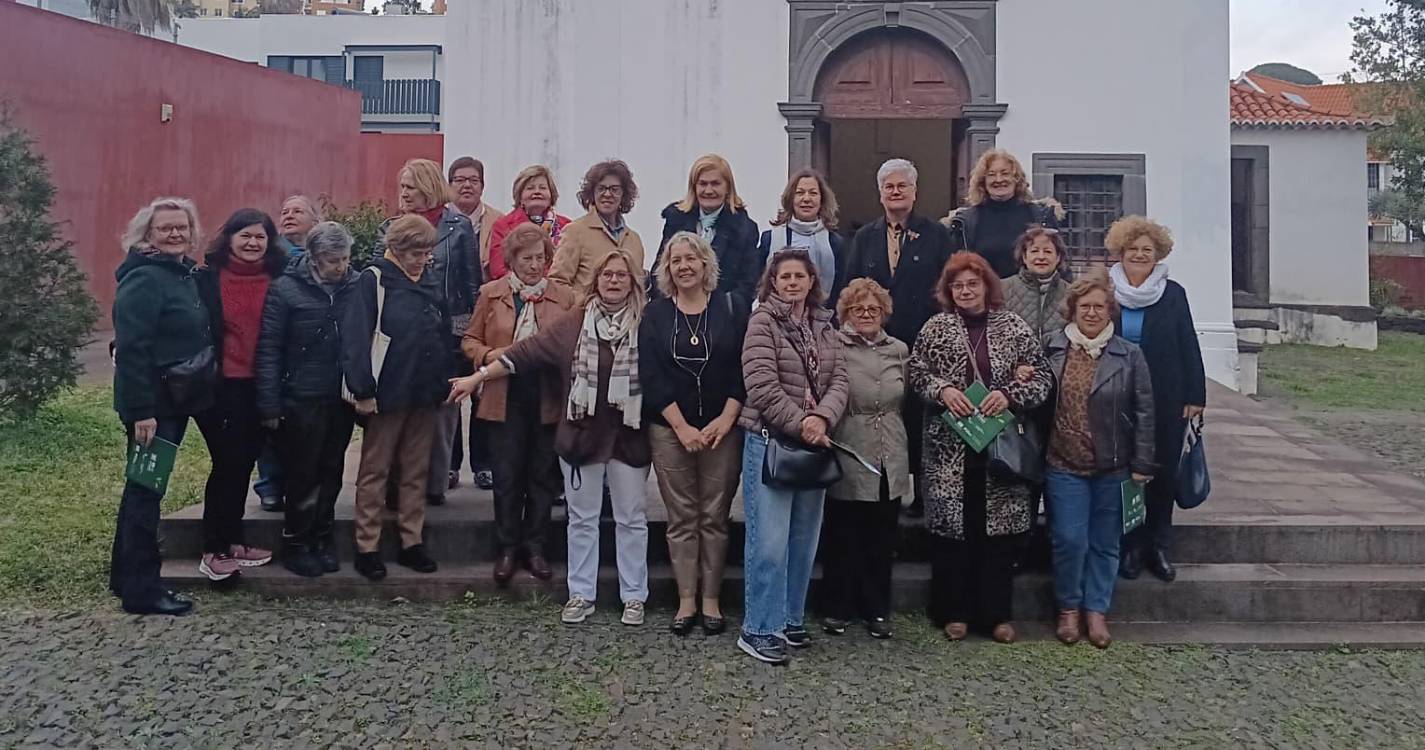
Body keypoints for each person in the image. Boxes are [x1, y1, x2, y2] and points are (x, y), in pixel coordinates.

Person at [449, 250, 651, 628]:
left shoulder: (646, 323)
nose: (613, 280)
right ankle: (581, 593)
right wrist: (477, 378)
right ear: (596, 281)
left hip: (628, 436)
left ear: (633, 282)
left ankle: (634, 596)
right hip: (581, 435)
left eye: (622, 275)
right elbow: (521, 355)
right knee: (582, 518)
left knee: (631, 518)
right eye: (607, 274)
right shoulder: (573, 324)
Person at [908, 252, 1051, 644]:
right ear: (948, 291)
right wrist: (945, 390)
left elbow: (1041, 376)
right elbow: (917, 372)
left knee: (999, 534)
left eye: (973, 284)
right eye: (958, 285)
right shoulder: (936, 328)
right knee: (953, 531)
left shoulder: (1014, 327)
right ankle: (953, 611)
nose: (966, 291)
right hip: (948, 448)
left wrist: (1009, 394)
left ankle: (996, 614)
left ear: (987, 286)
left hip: (1000, 446)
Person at [736, 248, 849, 665]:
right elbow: (762, 385)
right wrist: (803, 423)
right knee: (769, 542)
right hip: (771, 442)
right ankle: (758, 628)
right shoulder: (762, 322)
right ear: (773, 282)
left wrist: (822, 417)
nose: (792, 283)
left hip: (813, 442)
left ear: (811, 281)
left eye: (799, 276)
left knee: (803, 540)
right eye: (784, 277)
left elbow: (840, 379)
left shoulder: (825, 324)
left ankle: (788, 618)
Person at [639, 231, 747, 636]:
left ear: (706, 264)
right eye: (675, 260)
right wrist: (681, 426)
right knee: (682, 517)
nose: (683, 266)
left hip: (723, 427)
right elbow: (650, 374)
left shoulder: (731, 309)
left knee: (714, 517)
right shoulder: (656, 314)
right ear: (667, 269)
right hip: (670, 430)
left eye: (691, 258)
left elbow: (743, 367)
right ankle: (686, 599)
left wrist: (728, 416)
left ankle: (712, 599)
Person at [1043, 270, 1155, 648]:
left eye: (1099, 306)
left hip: (1114, 465)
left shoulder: (1130, 354)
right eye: (1084, 306)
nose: (1092, 313)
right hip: (1063, 463)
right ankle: (1069, 608)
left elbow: (1144, 412)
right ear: (1072, 310)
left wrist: (1143, 463)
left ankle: (1096, 610)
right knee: (1069, 539)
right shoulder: (1052, 348)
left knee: (1106, 541)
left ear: (1111, 311)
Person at [462, 224, 577, 586]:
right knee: (508, 476)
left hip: (547, 395)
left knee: (542, 475)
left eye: (540, 258)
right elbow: (469, 340)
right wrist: (489, 354)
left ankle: (536, 547)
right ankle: (507, 546)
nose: (533, 265)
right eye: (526, 259)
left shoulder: (565, 296)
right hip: (503, 394)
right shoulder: (490, 293)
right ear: (511, 259)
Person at [110, 197, 210, 616]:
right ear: (147, 234)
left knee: (142, 490)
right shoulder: (146, 279)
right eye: (165, 228)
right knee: (146, 493)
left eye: (181, 227)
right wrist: (141, 411)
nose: (175, 234)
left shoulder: (180, 274)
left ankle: (125, 576)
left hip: (173, 400)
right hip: (153, 408)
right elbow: (132, 349)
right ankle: (143, 590)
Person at [342, 214, 452, 581]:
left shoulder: (430, 281)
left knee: (416, 470)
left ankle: (412, 541)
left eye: (427, 252)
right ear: (396, 249)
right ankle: (367, 545)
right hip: (386, 391)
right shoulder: (373, 280)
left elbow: (442, 331)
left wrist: (444, 382)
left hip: (424, 391)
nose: (423, 259)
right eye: (417, 252)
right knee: (375, 470)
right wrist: (363, 390)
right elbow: (356, 338)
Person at [840, 158, 951, 519]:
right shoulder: (865, 236)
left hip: (923, 340)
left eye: (902, 185)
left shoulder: (936, 234)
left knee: (919, 416)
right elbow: (852, 286)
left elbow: (946, 288)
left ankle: (919, 493)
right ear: (880, 193)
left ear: (915, 191)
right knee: (880, 415)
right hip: (876, 344)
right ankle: (880, 485)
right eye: (889, 186)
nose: (896, 191)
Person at [255, 221, 359, 578]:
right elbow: (269, 348)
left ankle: (322, 537)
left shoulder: (355, 286)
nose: (340, 267)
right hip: (300, 396)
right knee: (302, 473)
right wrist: (268, 404)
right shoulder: (285, 290)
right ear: (313, 258)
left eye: (344, 259)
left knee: (332, 470)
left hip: (340, 396)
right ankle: (297, 541)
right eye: (332, 260)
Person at [1105, 216, 1206, 583]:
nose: (1140, 255)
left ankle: (1160, 544)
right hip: (1117, 393)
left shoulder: (1173, 292)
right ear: (1121, 251)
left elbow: (1188, 343)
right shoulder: (1106, 288)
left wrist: (1196, 394)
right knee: (1125, 471)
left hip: (1166, 393)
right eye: (1133, 249)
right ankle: (1131, 545)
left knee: (1161, 470)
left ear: (1157, 254)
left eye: (1147, 250)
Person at [374, 158, 480, 506]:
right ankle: (399, 485)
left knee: (443, 413)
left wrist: (463, 339)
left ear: (428, 187)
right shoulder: (389, 227)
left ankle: (437, 481)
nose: (402, 194)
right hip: (401, 337)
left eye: (410, 187)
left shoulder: (459, 227)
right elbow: (379, 281)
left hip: (445, 334)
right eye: (401, 187)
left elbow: (469, 287)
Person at [192, 208, 285, 581]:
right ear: (229, 237)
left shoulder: (278, 278)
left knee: (245, 463)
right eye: (245, 235)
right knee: (228, 463)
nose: (252, 243)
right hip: (220, 385)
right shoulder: (206, 279)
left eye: (260, 237)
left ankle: (232, 540)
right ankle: (214, 548)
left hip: (261, 385)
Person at [820, 278, 909, 640]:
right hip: (849, 444)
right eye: (859, 309)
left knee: (881, 536)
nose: (867, 314)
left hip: (890, 446)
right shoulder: (834, 348)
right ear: (847, 314)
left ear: (884, 313)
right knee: (844, 534)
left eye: (873, 309)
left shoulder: (900, 350)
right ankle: (838, 606)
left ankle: (877, 609)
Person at [256, 194, 323, 513]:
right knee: (271, 421)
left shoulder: (326, 253)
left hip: (313, 355)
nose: (289, 215)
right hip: (276, 344)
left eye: (298, 210)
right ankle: (270, 484)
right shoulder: (271, 256)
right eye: (284, 211)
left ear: (316, 220)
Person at [447, 155, 505, 491]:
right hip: (451, 319)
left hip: (489, 319)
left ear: (482, 185)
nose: (466, 185)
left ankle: (484, 464)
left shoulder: (497, 222)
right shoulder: (440, 222)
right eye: (459, 179)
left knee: (485, 390)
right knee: (454, 389)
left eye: (473, 179)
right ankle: (451, 465)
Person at [654, 154, 760, 309]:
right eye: (703, 184)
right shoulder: (675, 221)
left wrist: (728, 307)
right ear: (694, 187)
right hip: (677, 312)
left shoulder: (745, 229)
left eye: (715, 184)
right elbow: (661, 269)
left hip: (724, 317)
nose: (708, 190)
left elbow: (748, 281)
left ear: (728, 187)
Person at [944, 149, 1061, 278]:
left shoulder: (1040, 216)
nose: (999, 179)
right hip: (984, 296)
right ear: (983, 182)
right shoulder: (965, 222)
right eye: (991, 174)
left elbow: (1060, 263)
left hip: (1032, 296)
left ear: (1016, 179)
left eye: (1005, 173)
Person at [550, 159, 647, 300]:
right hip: (583, 319)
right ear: (592, 193)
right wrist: (587, 306)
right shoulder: (575, 232)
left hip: (627, 320)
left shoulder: (634, 240)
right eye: (601, 188)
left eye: (614, 189)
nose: (607, 194)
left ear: (624, 194)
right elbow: (557, 283)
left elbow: (638, 289)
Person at [756, 168, 847, 309]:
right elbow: (758, 283)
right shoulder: (770, 239)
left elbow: (840, 288)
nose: (806, 199)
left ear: (822, 199)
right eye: (800, 193)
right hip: (774, 317)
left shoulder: (835, 243)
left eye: (813, 193)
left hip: (822, 318)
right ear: (791, 198)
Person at [487, 164, 572, 281]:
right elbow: (498, 269)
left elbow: (571, 267)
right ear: (520, 196)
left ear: (551, 195)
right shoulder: (503, 226)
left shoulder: (567, 226)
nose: (537, 192)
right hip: (515, 292)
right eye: (530, 188)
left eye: (542, 188)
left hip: (557, 294)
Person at [1002, 226, 1071, 344]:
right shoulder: (1003, 289)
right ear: (1024, 256)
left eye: (1048, 251)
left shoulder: (1071, 293)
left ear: (1058, 257)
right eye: (1034, 251)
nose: (1041, 257)